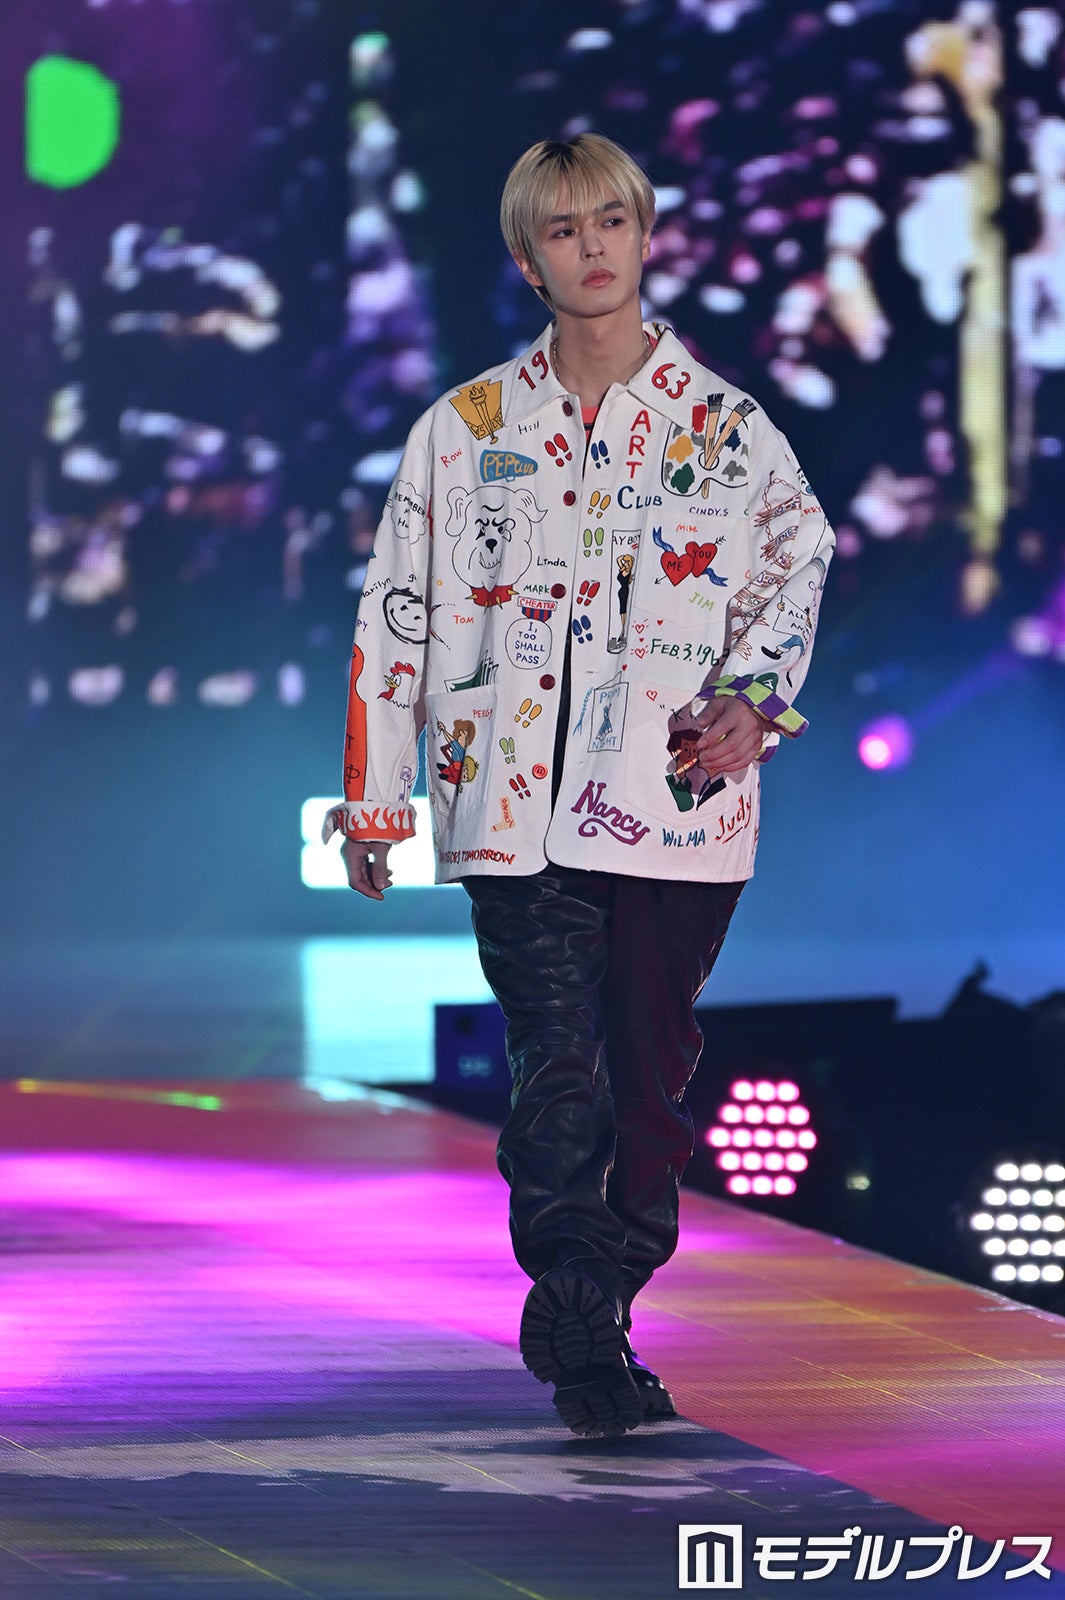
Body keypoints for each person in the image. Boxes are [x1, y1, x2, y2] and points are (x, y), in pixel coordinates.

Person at [325, 134, 834, 1437]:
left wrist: (755, 704)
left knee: (647, 1091)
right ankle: (581, 1319)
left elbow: (801, 560)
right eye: (563, 229)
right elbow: (394, 613)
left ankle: (600, 1291)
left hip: (672, 806)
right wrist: (376, 798)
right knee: (558, 1073)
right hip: (509, 809)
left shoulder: (726, 430)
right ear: (527, 258)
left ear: (646, 235)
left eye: (611, 220)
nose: (592, 247)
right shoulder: (464, 434)